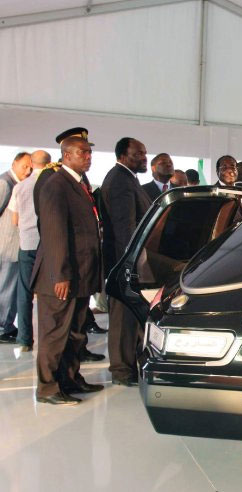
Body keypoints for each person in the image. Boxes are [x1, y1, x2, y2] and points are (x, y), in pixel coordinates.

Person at [32, 136, 104, 404]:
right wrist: (60, 275)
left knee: (75, 333)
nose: (88, 157)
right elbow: (54, 234)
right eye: (82, 152)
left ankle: (70, 379)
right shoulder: (55, 184)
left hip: (81, 274)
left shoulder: (79, 183)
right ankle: (47, 388)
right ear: (66, 155)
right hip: (61, 276)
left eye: (89, 153)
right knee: (54, 335)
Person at [100, 137, 151, 387]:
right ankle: (121, 371)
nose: (144, 157)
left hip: (128, 262)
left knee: (130, 318)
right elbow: (125, 229)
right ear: (122, 155)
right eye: (138, 154)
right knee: (122, 319)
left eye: (144, 153)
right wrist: (130, 266)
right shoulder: (120, 180)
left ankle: (129, 366)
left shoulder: (128, 178)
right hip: (125, 263)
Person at [8, 151, 50, 350]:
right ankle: (48, 338)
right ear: (49, 164)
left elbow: (15, 220)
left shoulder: (20, 187)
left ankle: (25, 339)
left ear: (32, 164)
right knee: (48, 294)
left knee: (24, 292)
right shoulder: (52, 185)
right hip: (47, 246)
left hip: (27, 244)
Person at [0, 152, 32, 344]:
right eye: (24, 166)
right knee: (6, 286)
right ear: (14, 164)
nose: (27, 171)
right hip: (7, 245)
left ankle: (7, 325)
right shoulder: (5, 183)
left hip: (13, 245)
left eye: (30, 168)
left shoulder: (17, 183)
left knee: (11, 288)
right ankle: (2, 327)